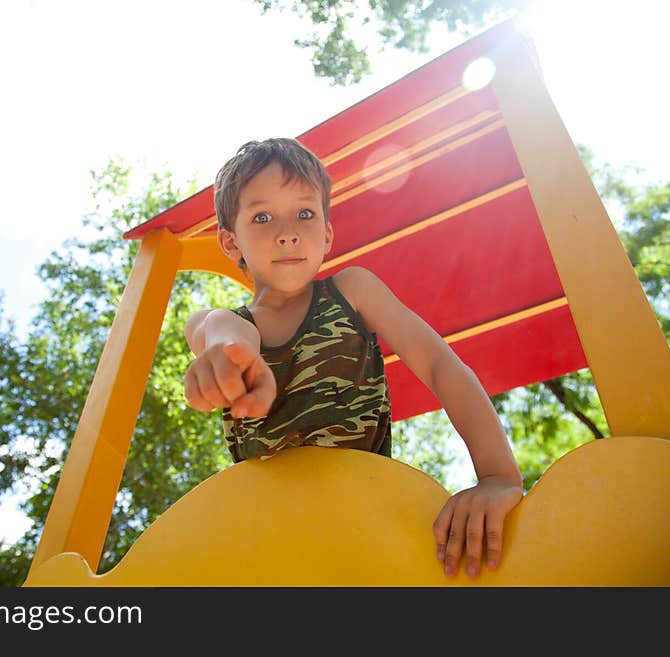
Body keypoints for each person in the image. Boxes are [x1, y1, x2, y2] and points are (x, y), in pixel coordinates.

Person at [183, 137, 523, 579]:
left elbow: (442, 366)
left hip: (367, 524)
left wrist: (497, 476)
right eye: (262, 216)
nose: (287, 231)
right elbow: (221, 333)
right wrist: (237, 358)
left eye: (305, 212)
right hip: (270, 544)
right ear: (230, 242)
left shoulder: (352, 291)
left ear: (326, 233)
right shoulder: (222, 323)